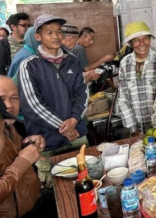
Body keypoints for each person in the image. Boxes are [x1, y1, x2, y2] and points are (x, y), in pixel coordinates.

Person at [18, 14, 89, 157]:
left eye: (58, 31)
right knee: (53, 179)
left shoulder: (72, 61)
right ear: (38, 37)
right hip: (46, 141)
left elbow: (83, 92)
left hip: (77, 135)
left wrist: (74, 120)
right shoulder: (29, 66)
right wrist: (65, 128)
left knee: (89, 175)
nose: (56, 36)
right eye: (49, 32)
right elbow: (33, 105)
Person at [0, 76, 58, 218]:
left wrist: (28, 144)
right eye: (1, 99)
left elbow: (12, 155)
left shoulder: (10, 126)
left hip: (33, 201)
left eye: (14, 98)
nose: (8, 105)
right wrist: (23, 161)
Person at [118, 21, 156, 136]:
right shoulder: (125, 64)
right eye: (137, 40)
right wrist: (133, 129)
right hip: (136, 128)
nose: (142, 43)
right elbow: (123, 99)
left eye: (145, 39)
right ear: (130, 43)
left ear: (150, 40)